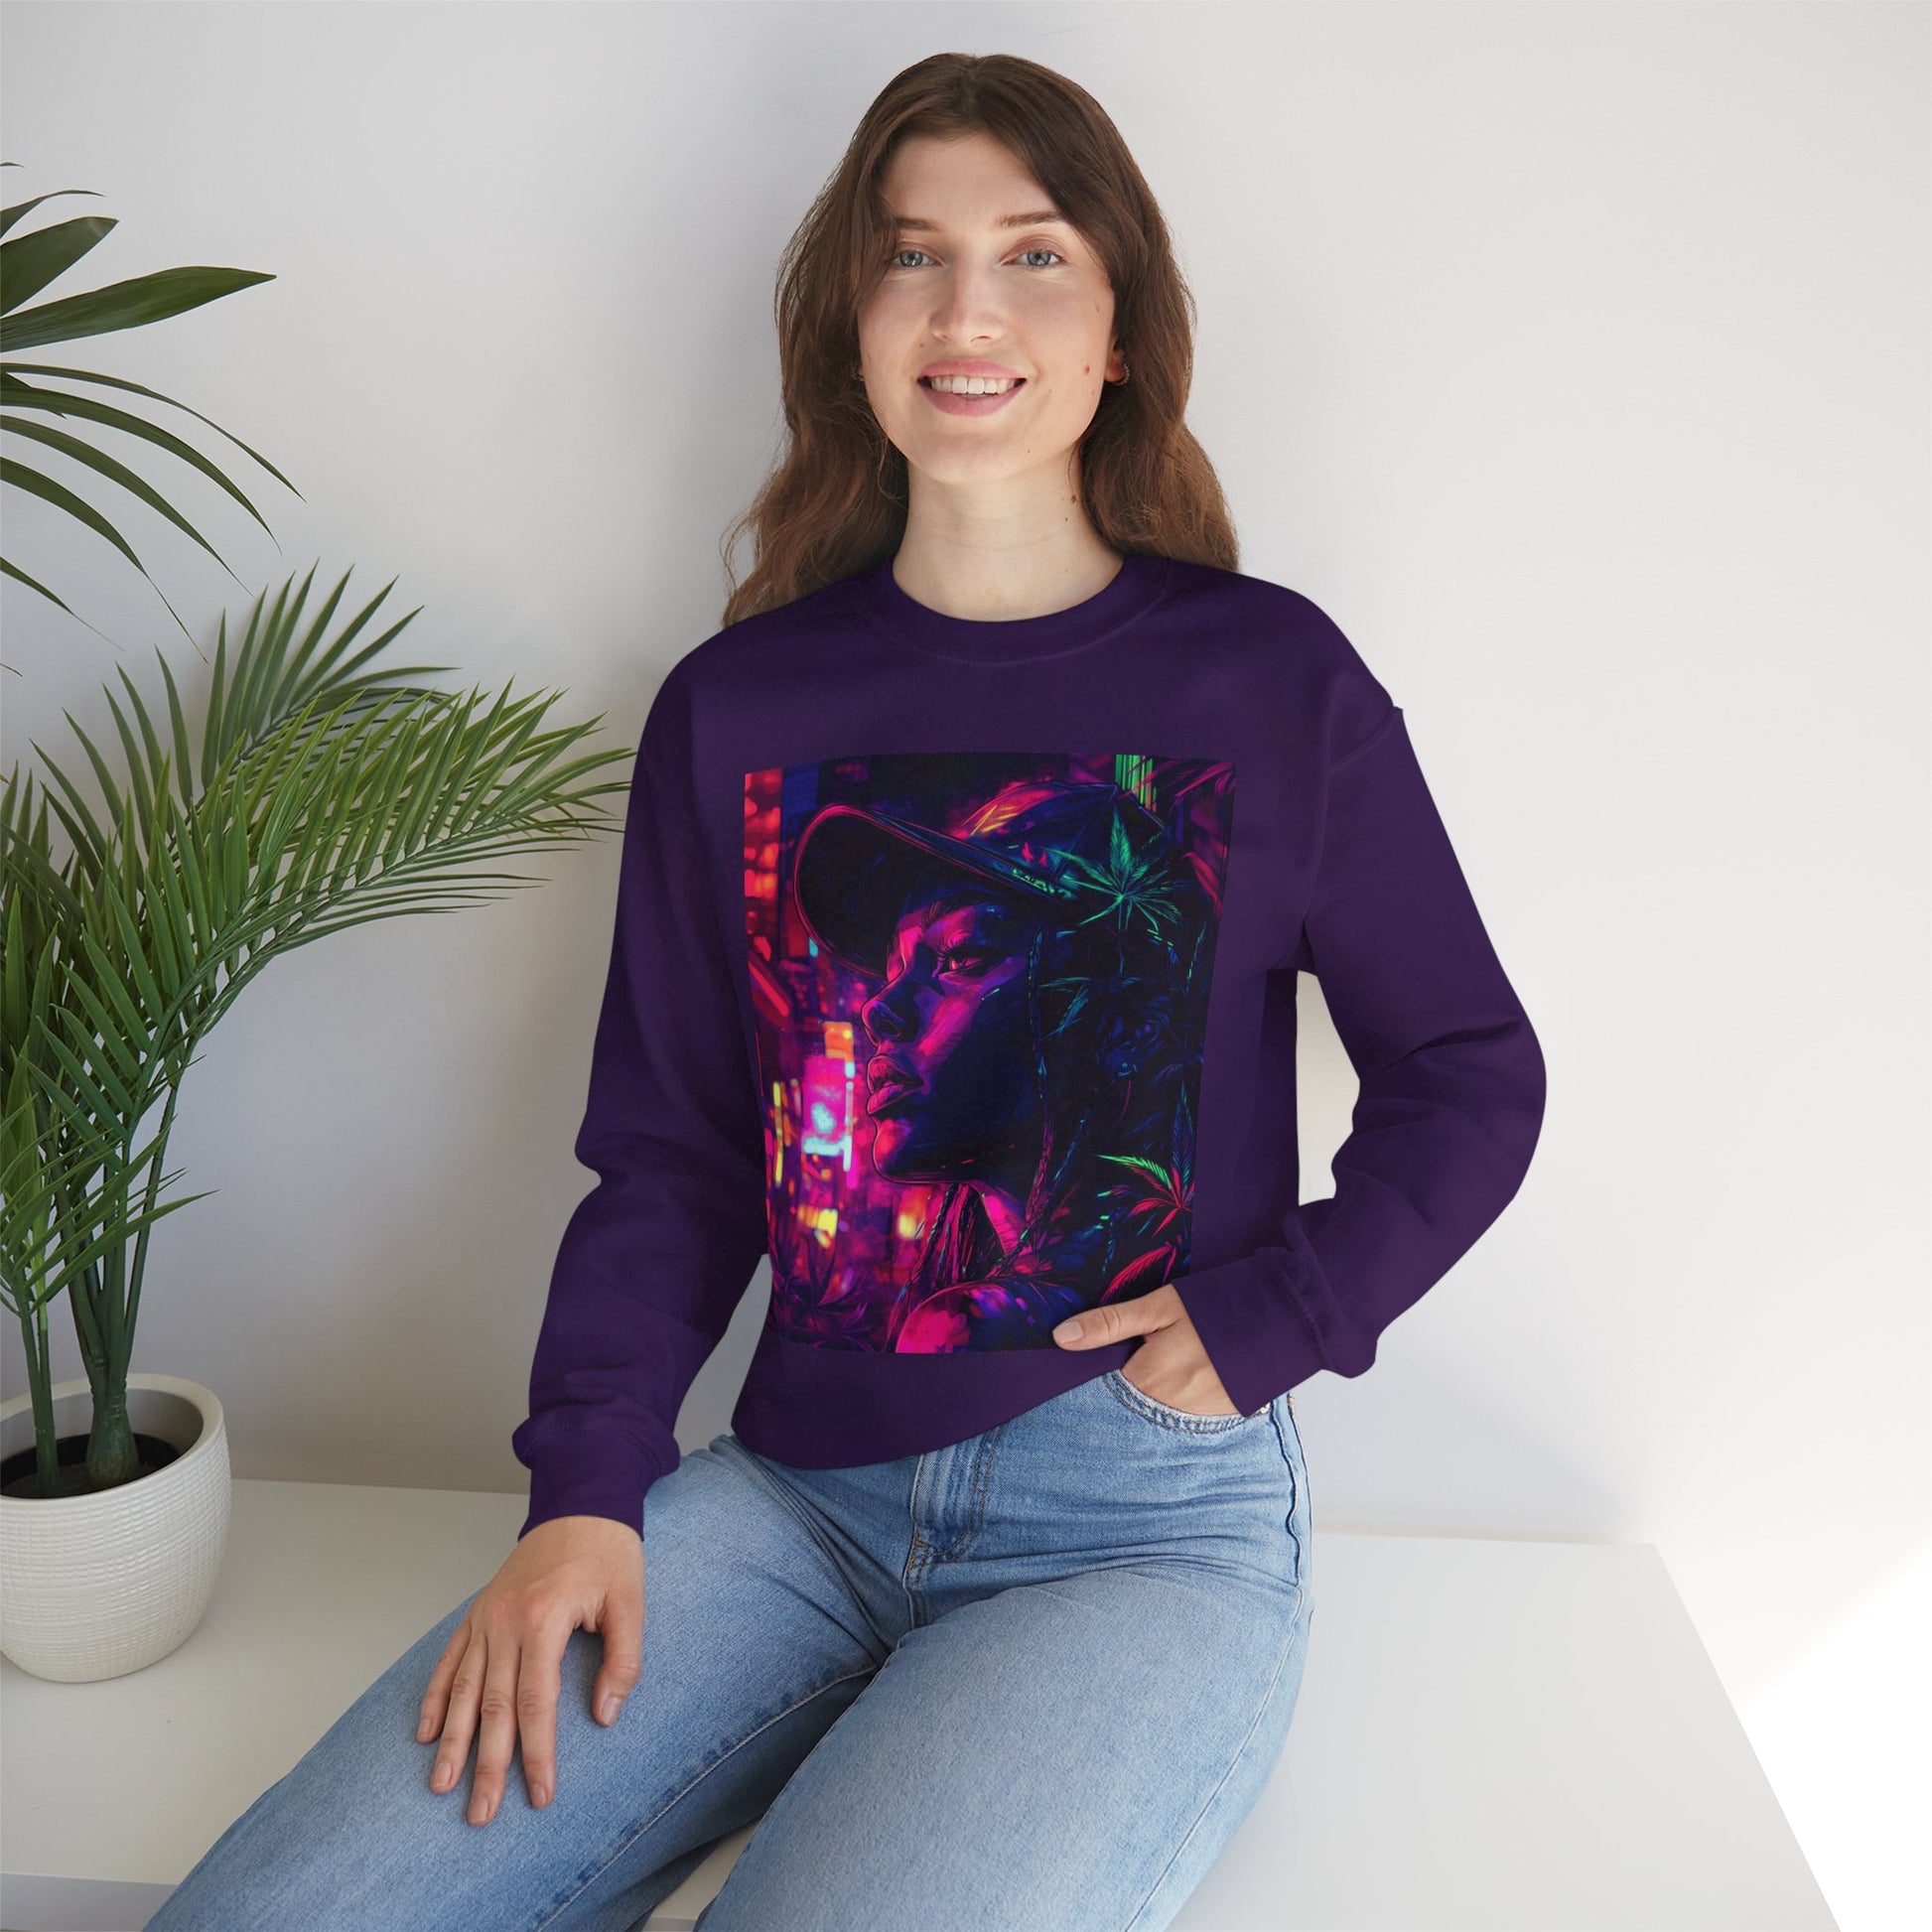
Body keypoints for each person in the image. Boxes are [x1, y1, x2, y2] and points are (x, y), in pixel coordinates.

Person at [146, 51, 1546, 1932]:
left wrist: (1283, 1308)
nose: (967, 310)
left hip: (1135, 1523)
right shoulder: (738, 708)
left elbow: (1467, 1068)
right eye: (911, 256)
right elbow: (674, 1154)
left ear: (1119, 329)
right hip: (791, 1495)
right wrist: (585, 1489)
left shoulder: (1268, 683)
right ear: (851, 324)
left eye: (1032, 254)